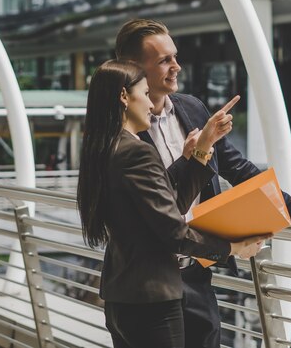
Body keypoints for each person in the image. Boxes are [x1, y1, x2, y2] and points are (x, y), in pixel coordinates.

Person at [115, 19, 291, 348]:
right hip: (146, 278)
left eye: (175, 56)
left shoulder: (192, 109)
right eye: (165, 60)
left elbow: (237, 168)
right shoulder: (121, 128)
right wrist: (198, 152)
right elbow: (156, 201)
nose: (176, 66)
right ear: (134, 67)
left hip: (196, 271)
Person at [76, 59, 270, 348]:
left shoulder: (105, 147)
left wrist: (198, 153)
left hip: (122, 298)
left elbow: (162, 205)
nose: (152, 106)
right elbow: (173, 231)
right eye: (144, 94)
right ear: (124, 97)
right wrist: (232, 247)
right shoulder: (136, 152)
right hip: (153, 302)